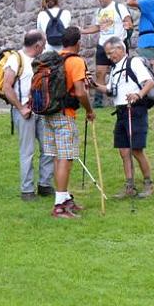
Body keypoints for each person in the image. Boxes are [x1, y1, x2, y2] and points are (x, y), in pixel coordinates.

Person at [39, 26, 94, 219]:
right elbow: (80, 92)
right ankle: (59, 206)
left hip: (48, 113)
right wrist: (89, 110)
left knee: (57, 157)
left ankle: (65, 197)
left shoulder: (53, 59)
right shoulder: (76, 61)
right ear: (79, 43)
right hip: (65, 113)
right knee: (66, 158)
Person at [93, 36, 154, 199]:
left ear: (121, 49)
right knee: (123, 151)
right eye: (107, 54)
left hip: (135, 110)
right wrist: (93, 85)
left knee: (136, 149)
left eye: (110, 53)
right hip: (121, 111)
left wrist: (138, 95)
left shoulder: (133, 62)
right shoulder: (114, 69)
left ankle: (148, 184)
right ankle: (129, 186)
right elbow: (110, 90)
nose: (109, 57)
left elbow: (149, 83)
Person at [1, 29, 54, 202]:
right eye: (44, 43)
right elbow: (6, 87)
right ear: (37, 45)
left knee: (48, 149)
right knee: (28, 151)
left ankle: (45, 185)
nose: (45, 45)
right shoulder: (15, 59)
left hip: (41, 110)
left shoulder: (41, 58)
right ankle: (27, 190)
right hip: (25, 112)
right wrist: (21, 108)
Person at [81, 0, 132, 107]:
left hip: (118, 45)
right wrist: (83, 31)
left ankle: (124, 98)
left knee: (123, 72)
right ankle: (98, 103)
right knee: (99, 73)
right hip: (102, 45)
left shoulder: (119, 7)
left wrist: (128, 25)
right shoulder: (99, 11)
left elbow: (127, 20)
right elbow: (97, 27)